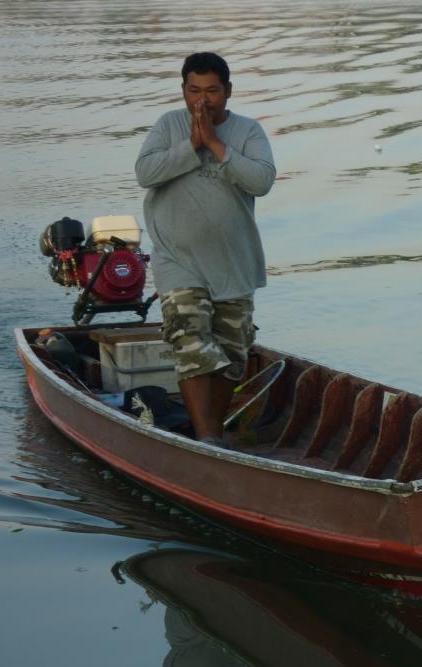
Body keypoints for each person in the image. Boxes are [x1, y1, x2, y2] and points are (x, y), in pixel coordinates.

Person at [135, 52, 276, 445]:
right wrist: (190, 145)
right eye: (194, 90)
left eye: (212, 91)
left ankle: (206, 438)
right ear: (183, 91)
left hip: (234, 265)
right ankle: (209, 442)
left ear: (228, 92)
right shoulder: (168, 125)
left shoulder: (248, 132)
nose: (203, 101)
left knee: (231, 360)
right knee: (192, 343)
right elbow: (145, 172)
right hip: (177, 261)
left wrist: (214, 144)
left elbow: (261, 181)